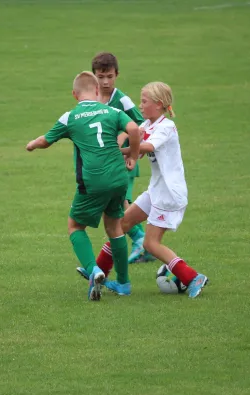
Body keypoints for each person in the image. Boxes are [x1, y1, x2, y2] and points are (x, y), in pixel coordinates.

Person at [25, 71, 140, 301]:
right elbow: (135, 129)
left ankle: (94, 269)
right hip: (118, 178)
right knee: (115, 227)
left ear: (74, 94)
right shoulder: (113, 111)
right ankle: (124, 284)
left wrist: (32, 145)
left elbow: (45, 141)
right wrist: (134, 157)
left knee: (75, 226)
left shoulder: (71, 117)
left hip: (93, 181)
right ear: (98, 90)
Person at [95, 82, 208, 298]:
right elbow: (135, 140)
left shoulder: (166, 127)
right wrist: (123, 151)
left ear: (158, 104)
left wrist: (122, 150)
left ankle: (193, 277)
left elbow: (146, 147)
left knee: (150, 243)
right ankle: (98, 271)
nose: (141, 105)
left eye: (144, 101)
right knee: (122, 224)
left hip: (168, 195)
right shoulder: (148, 124)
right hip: (155, 190)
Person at [90, 52, 154, 264]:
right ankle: (142, 242)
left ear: (117, 74)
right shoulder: (93, 100)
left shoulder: (122, 99)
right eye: (101, 76)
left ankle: (140, 240)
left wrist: (123, 136)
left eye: (109, 76)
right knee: (111, 202)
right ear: (94, 77)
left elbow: (140, 123)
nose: (106, 81)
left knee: (122, 201)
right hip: (104, 162)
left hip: (125, 161)